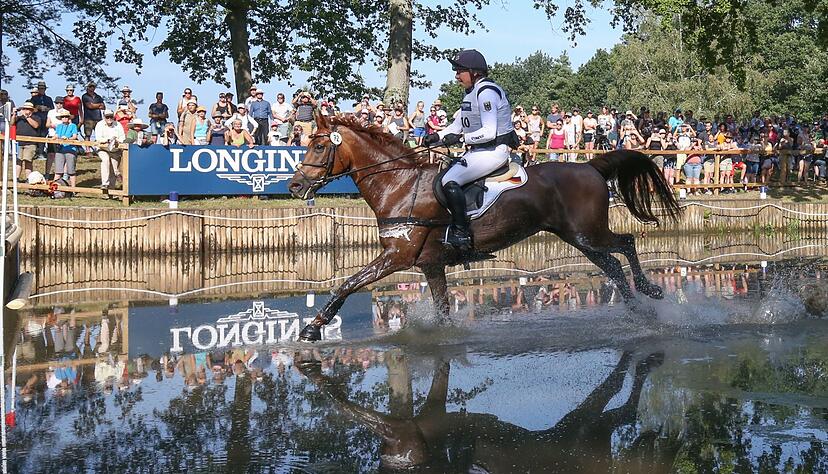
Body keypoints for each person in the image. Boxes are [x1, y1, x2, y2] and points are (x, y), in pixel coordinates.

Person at [423, 49, 517, 252]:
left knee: (450, 181)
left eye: (459, 71)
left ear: (474, 72)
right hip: (477, 151)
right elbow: (456, 126)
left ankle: (461, 233)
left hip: (493, 151)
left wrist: (462, 138)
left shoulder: (486, 93)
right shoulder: (471, 93)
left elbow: (489, 132)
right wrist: (436, 137)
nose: (456, 76)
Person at [94, 110, 126, 190]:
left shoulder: (118, 125)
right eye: (107, 117)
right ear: (104, 117)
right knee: (105, 160)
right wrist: (108, 140)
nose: (109, 118)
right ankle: (105, 183)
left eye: (111, 116)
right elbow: (98, 138)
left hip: (115, 150)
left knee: (114, 170)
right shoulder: (99, 124)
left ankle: (111, 191)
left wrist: (117, 141)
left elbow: (122, 138)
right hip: (102, 148)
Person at [53, 110, 80, 187]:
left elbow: (75, 136)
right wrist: (53, 138)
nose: (64, 118)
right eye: (63, 117)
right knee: (58, 171)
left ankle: (73, 189)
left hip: (70, 150)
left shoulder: (73, 126)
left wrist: (67, 138)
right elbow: (57, 135)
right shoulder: (59, 126)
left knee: (71, 171)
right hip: (60, 149)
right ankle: (54, 188)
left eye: (66, 117)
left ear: (69, 118)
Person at [14, 102, 41, 181]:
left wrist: (27, 117)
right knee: (18, 161)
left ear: (31, 110)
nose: (26, 110)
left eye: (28, 109)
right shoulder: (19, 118)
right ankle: (16, 178)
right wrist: (14, 114)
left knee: (28, 161)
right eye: (24, 109)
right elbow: (12, 123)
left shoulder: (36, 117)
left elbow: (36, 125)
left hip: (30, 143)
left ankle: (28, 178)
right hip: (19, 142)